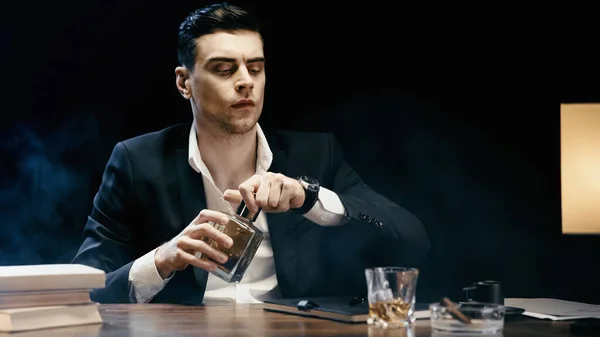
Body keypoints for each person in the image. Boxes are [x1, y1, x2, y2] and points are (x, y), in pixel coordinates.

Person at [71, 2, 430, 305]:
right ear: (184, 82)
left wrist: (309, 199)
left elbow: (413, 239)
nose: (246, 81)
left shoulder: (316, 154)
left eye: (255, 68)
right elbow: (85, 289)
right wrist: (161, 260)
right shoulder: (137, 161)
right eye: (224, 69)